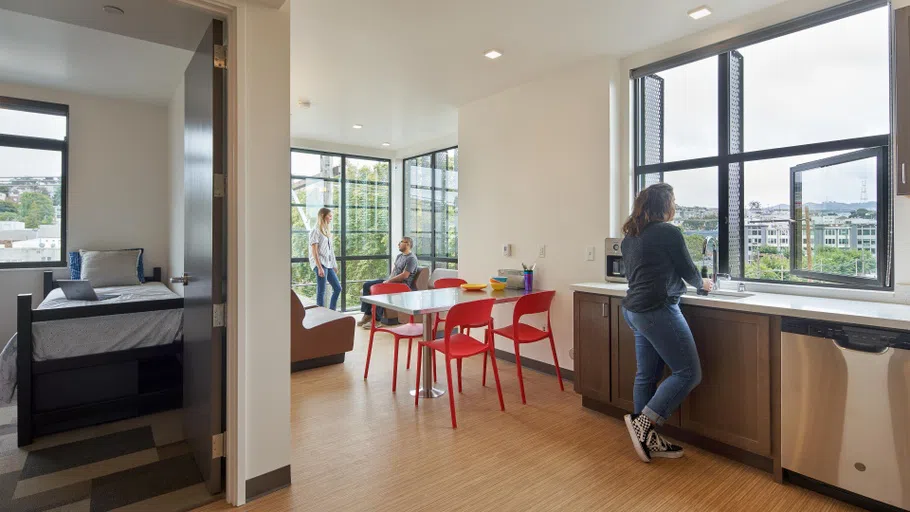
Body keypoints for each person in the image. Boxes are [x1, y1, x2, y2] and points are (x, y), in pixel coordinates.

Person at [619, 183, 714, 462]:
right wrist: (703, 284)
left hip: (634, 310)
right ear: (665, 205)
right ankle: (643, 424)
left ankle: (645, 439)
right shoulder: (669, 232)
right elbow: (688, 270)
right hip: (657, 310)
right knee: (688, 373)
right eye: (673, 200)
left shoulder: (630, 236)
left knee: (646, 375)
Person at [357, 237, 419, 328]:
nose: (398, 244)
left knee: (379, 290)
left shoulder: (411, 259)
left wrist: (389, 281)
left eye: (401, 242)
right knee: (367, 285)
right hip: (392, 282)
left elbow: (405, 275)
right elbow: (394, 271)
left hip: (402, 285)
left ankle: (377, 320)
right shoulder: (400, 256)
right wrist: (388, 280)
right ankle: (368, 315)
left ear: (408, 244)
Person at [309, 208, 341, 310]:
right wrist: (319, 267)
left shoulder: (326, 231)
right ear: (323, 215)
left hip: (328, 264)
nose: (331, 218)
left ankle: (332, 311)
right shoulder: (315, 231)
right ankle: (320, 315)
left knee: (337, 288)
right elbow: (314, 251)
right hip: (320, 264)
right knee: (321, 291)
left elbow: (331, 251)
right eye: (329, 216)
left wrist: (334, 264)